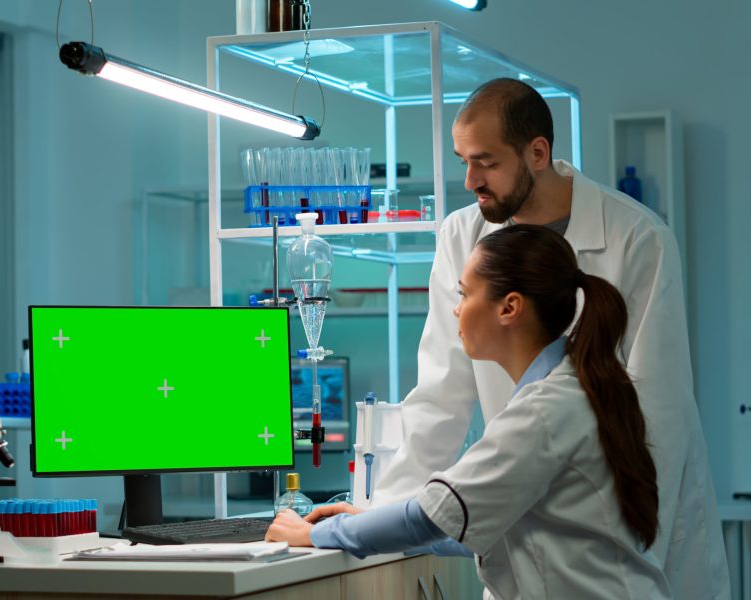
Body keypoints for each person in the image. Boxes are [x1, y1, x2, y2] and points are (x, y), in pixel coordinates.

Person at [368, 78, 728, 597]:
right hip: (532, 542)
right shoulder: (462, 237)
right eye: (462, 159)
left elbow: (659, 416)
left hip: (632, 542)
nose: (470, 179)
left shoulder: (637, 238)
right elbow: (439, 397)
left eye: (486, 162)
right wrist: (389, 515)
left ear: (538, 152)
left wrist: (627, 549)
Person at [267, 224, 670, 598]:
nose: (457, 310)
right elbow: (475, 524)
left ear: (509, 308)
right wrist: (365, 520)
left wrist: (318, 534)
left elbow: (426, 518)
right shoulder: (569, 390)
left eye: (464, 294)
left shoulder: (544, 411)